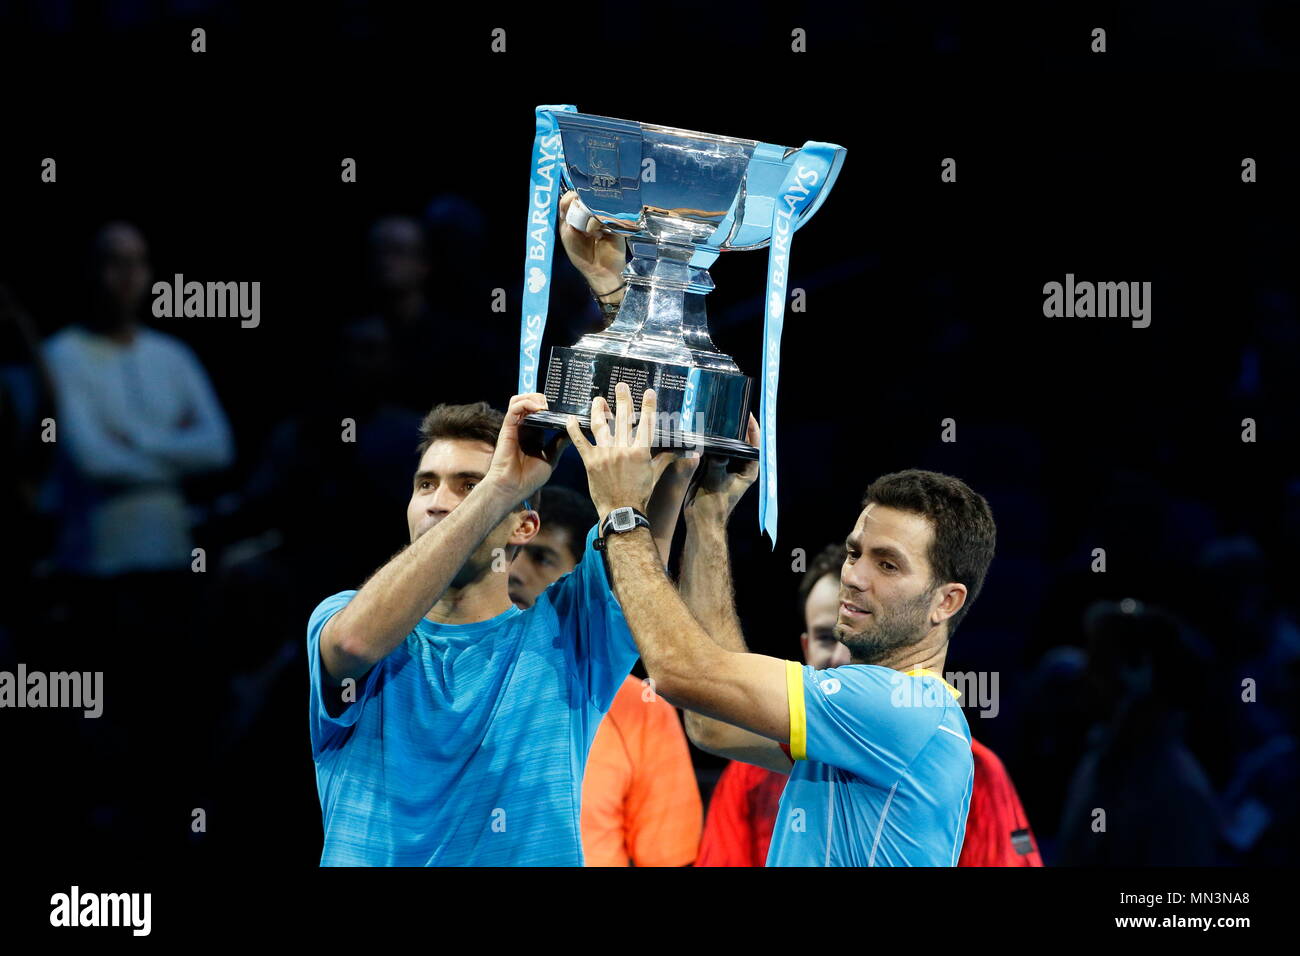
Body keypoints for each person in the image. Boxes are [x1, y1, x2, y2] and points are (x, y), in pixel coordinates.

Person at [565, 384, 996, 865]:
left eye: (888, 565)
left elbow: (680, 671)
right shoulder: (877, 723)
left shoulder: (900, 709)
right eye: (855, 553)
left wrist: (622, 512)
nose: (853, 576)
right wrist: (707, 516)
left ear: (946, 601)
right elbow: (714, 725)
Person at [305, 396, 692, 865]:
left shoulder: (566, 634)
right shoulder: (342, 616)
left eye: (469, 485)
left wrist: (680, 456)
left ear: (524, 526)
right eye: (425, 485)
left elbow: (644, 535)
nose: (438, 504)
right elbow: (353, 644)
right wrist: (497, 490)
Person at [697, 542, 1042, 867]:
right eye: (826, 637)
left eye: (853, 637)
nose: (839, 655)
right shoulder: (749, 772)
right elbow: (710, 720)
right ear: (805, 650)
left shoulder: (977, 769)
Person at [509, 484, 702, 867]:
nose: (514, 571)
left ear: (583, 579)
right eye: (511, 554)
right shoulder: (453, 679)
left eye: (542, 557)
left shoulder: (641, 707)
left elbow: (666, 858)